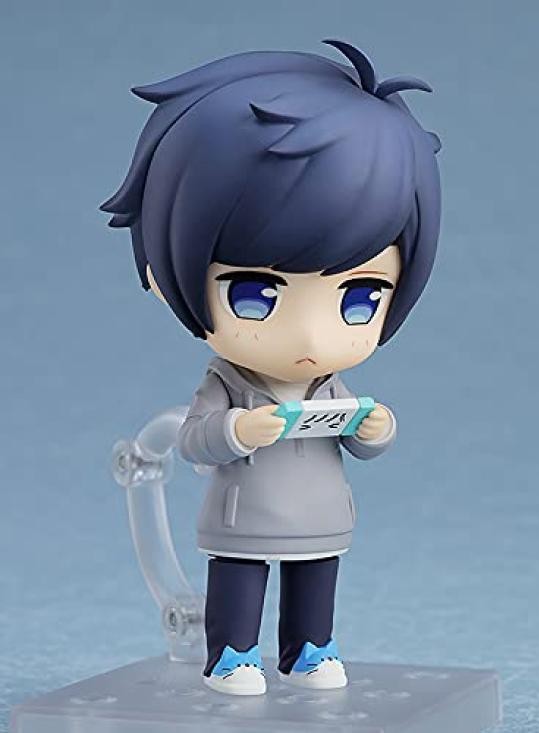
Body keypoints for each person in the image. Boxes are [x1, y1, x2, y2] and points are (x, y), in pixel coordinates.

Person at [101, 39, 441, 696]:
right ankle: (230, 655)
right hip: (243, 519)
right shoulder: (227, 382)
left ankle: (309, 651)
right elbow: (193, 438)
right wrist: (237, 431)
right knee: (240, 583)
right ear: (165, 279)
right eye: (256, 294)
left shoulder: (330, 383)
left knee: (316, 585)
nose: (310, 336)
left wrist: (375, 429)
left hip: (322, 515)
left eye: (360, 297)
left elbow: (358, 437)